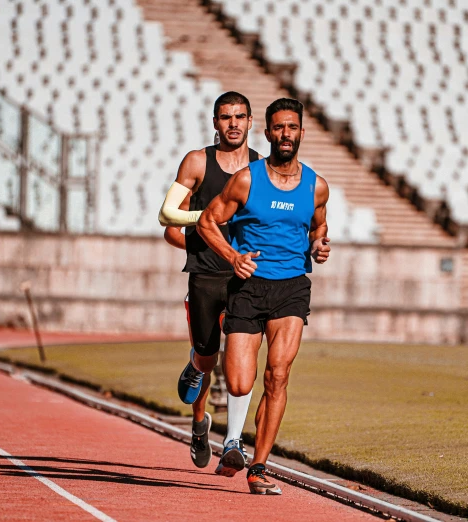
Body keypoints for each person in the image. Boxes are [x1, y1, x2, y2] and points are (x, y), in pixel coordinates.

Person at [198, 98, 331, 495]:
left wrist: (320, 247)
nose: (285, 134)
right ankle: (233, 440)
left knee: (278, 375)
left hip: (292, 287)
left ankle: (258, 466)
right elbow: (208, 221)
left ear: (301, 133)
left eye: (292, 127)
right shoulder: (246, 179)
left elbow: (318, 231)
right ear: (267, 132)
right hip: (249, 287)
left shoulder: (317, 186)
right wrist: (233, 256)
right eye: (278, 128)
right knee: (240, 383)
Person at [159, 91, 260, 474]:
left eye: (240, 117)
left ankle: (233, 440)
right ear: (215, 122)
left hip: (245, 277)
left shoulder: (261, 170)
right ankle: (200, 422)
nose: (233, 124)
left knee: (241, 357)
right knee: (206, 357)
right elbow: (170, 222)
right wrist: (206, 228)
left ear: (251, 123)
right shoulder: (198, 161)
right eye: (225, 117)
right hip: (203, 275)